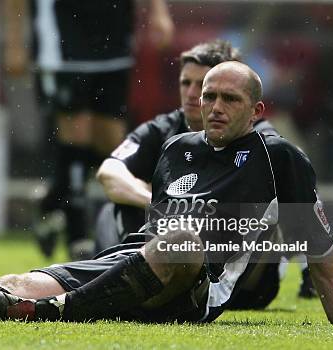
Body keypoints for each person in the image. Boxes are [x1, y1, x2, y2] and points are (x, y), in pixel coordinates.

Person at [0, 62, 333, 326]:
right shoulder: (176, 147)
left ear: (255, 110)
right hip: (141, 263)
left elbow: (317, 243)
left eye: (228, 99)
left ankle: (59, 314)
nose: (213, 105)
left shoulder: (277, 155)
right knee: (20, 281)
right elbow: (146, 220)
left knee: (184, 240)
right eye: (208, 95)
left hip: (198, 287)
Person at [94, 39, 314, 302]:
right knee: (114, 207)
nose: (191, 93)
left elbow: (303, 197)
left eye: (202, 86)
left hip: (246, 278)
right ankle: (120, 276)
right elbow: (109, 171)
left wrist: (310, 269)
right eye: (186, 83)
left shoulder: (261, 138)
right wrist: (163, 206)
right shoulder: (165, 129)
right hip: (176, 256)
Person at [3, 0, 174, 259]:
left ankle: (50, 202)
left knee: (111, 144)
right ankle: (79, 238)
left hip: (113, 34)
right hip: (62, 36)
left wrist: (159, 12)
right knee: (77, 134)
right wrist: (14, 40)